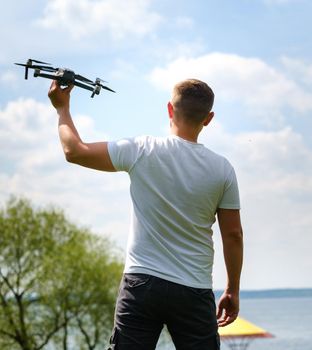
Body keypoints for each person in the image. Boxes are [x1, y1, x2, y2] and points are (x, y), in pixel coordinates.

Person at [48, 78, 244, 350]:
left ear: (169, 110)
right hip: (193, 289)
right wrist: (232, 289)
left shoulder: (141, 149)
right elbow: (233, 235)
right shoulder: (223, 170)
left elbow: (74, 151)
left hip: (141, 285)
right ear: (208, 119)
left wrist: (62, 109)